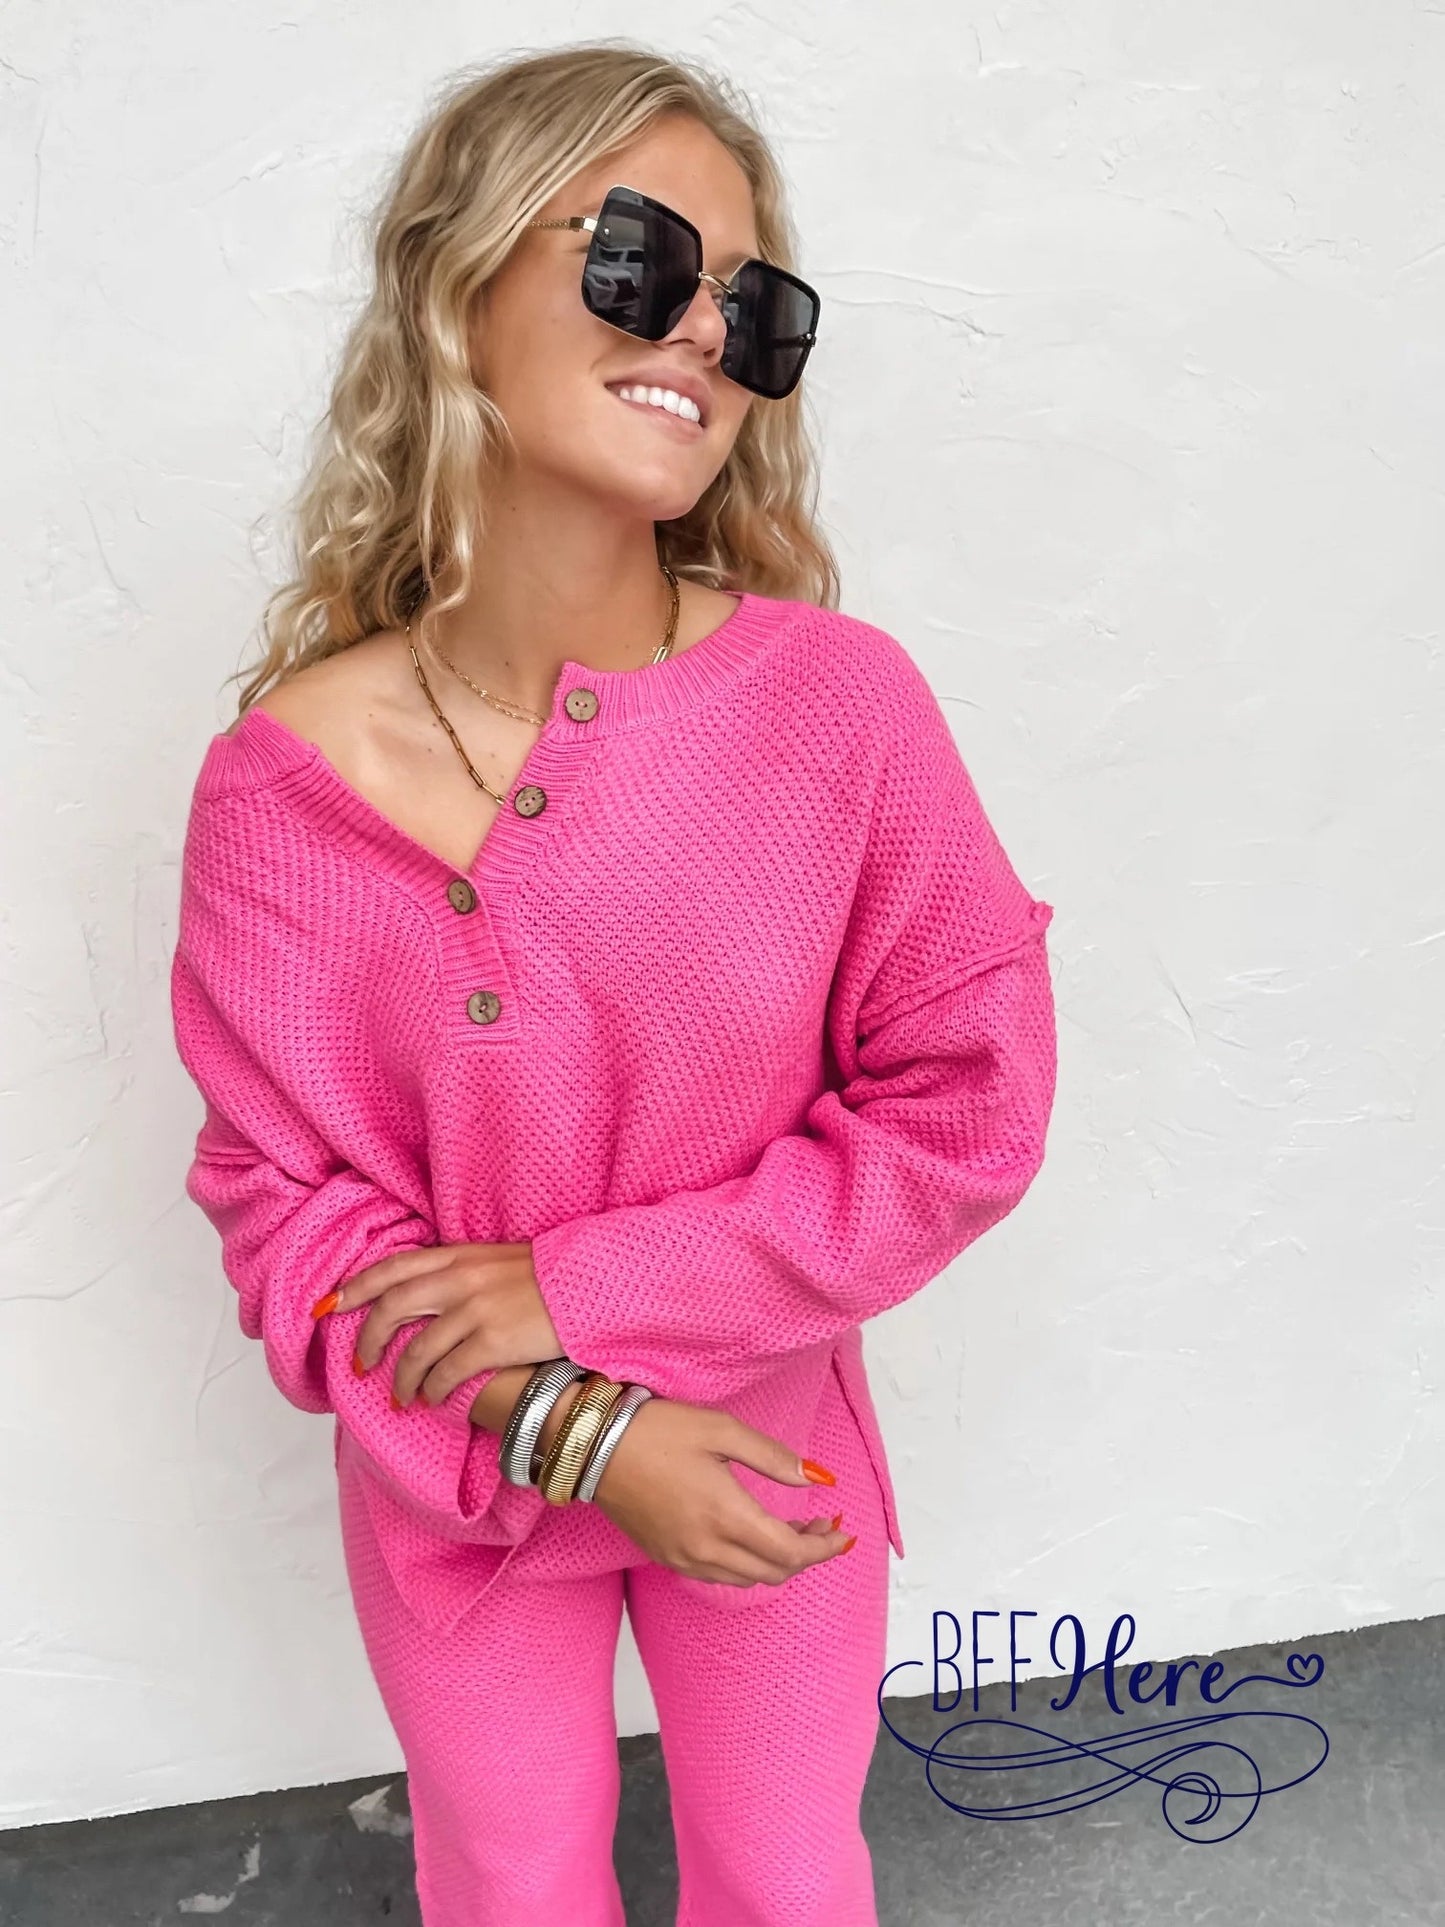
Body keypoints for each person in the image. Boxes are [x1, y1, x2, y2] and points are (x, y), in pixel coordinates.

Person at [168, 39, 1058, 1927]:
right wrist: (584, 1427)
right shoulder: (284, 786)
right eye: (643, 258)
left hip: (767, 1449)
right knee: (507, 1883)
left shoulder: (837, 712)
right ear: (457, 277)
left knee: (786, 1881)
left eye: (755, 306)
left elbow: (964, 1104)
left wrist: (584, 1295)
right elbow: (283, 1209)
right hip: (457, 1489)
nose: (706, 334)